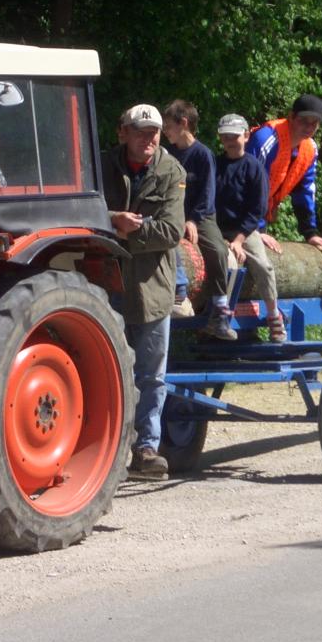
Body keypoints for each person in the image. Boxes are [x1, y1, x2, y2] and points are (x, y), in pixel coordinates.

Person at [102, 104, 185, 480]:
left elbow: (171, 231)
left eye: (154, 132)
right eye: (140, 131)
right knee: (106, 371)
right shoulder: (103, 164)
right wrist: (112, 220)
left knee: (151, 375)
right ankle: (104, 452)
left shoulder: (171, 171)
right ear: (123, 132)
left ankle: (146, 450)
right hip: (105, 284)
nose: (149, 138)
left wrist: (125, 232)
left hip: (152, 287)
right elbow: (83, 211)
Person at [246, 94, 322, 275]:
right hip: (233, 212)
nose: (309, 127)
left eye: (314, 123)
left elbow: (305, 191)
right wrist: (255, 229)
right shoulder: (266, 139)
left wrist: (310, 232)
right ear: (291, 117)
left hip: (254, 217)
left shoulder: (309, 149)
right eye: (304, 121)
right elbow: (248, 186)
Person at [161, 99, 237, 340]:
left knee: (218, 250)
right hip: (172, 213)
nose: (165, 132)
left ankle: (220, 313)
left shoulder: (203, 154)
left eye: (168, 126)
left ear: (183, 123)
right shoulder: (166, 154)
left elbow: (207, 193)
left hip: (201, 216)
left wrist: (193, 220)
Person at [214, 113, 286, 342]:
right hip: (217, 229)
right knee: (227, 264)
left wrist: (239, 239)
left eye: (234, 136)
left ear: (246, 136)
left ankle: (274, 314)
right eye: (225, 137)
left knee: (263, 266)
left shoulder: (254, 167)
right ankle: (220, 316)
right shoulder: (215, 165)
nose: (229, 141)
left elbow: (258, 209)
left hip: (244, 229)